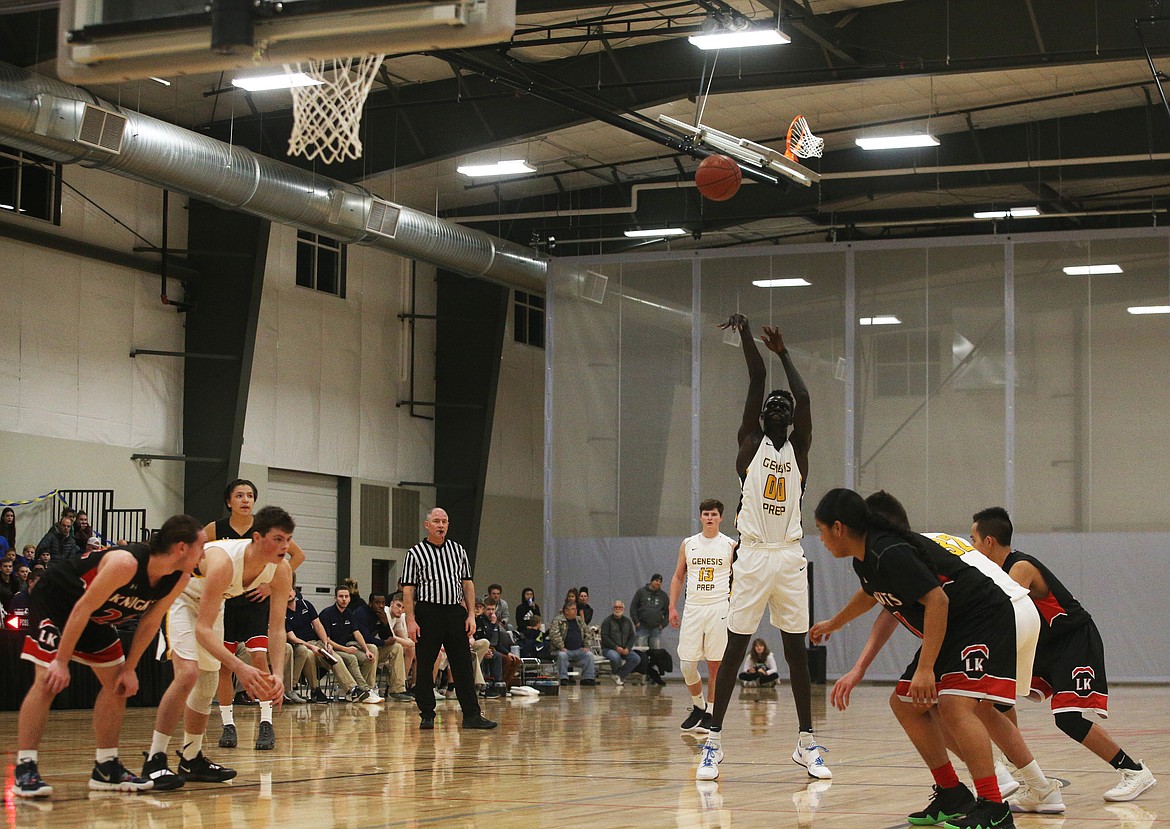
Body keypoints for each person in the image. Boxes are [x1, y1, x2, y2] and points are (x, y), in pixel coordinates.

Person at [811, 488, 1020, 829]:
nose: (820, 539)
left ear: (838, 528)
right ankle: (953, 793)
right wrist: (835, 623)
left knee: (954, 705)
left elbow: (938, 601)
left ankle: (994, 808)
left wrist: (926, 668)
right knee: (905, 703)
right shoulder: (865, 557)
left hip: (981, 616)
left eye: (820, 531)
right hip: (955, 623)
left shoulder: (889, 551)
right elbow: (871, 594)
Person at [697, 314, 828, 783]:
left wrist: (785, 355)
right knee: (734, 649)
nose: (775, 403)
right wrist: (751, 338)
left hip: (789, 556)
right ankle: (712, 743)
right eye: (769, 403)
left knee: (796, 652)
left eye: (782, 404)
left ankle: (806, 742)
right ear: (761, 416)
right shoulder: (749, 446)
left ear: (790, 418)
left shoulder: (800, 451)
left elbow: (806, 396)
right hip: (751, 554)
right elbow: (756, 379)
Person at [10, 515, 205, 798]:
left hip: (95, 618)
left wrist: (131, 668)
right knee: (48, 680)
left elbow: (150, 621)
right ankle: (25, 767)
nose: (205, 553)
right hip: (57, 602)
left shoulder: (180, 576)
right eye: (202, 546)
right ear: (182, 548)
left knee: (117, 684)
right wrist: (61, 661)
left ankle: (106, 766)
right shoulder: (126, 563)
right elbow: (81, 608)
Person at [971, 507, 1157, 804]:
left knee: (1067, 718)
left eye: (973, 539)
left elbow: (1002, 615)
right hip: (1048, 645)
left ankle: (1134, 772)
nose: (971, 546)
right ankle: (1011, 764)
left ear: (989, 541)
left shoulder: (1020, 567)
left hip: (1074, 641)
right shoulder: (1002, 570)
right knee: (999, 697)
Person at [139, 505, 295, 790]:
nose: (285, 546)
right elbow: (202, 629)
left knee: (208, 681)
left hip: (213, 603)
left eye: (288, 539)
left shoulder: (281, 569)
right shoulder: (224, 562)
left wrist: (279, 677)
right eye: (278, 539)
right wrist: (240, 668)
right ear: (257, 538)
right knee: (187, 674)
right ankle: (154, 758)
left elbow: (277, 628)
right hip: (180, 596)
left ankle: (191, 757)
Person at [205, 479, 306, 752]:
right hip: (224, 601)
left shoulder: (268, 531)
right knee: (224, 666)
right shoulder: (216, 529)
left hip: (253, 602)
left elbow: (297, 556)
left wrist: (269, 580)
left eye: (250, 495)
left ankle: (266, 720)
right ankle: (227, 723)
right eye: (239, 495)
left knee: (258, 657)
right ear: (229, 501)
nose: (245, 500)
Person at [401, 507, 496, 730]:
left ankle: (472, 715)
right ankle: (427, 713)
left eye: (444, 521)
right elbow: (408, 590)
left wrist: (471, 614)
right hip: (428, 612)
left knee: (463, 664)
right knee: (426, 664)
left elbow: (467, 584)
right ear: (427, 525)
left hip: (455, 612)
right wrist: (411, 620)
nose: (441, 525)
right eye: (436, 521)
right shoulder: (415, 553)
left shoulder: (458, 550)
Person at [670, 498, 734, 733]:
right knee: (687, 663)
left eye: (714, 514)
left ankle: (711, 712)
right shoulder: (688, 544)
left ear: (720, 518)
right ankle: (698, 705)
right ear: (700, 517)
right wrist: (672, 606)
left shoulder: (730, 545)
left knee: (715, 665)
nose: (710, 518)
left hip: (719, 607)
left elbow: (739, 580)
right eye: (706, 514)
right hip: (693, 608)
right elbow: (678, 577)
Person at [317, 585, 382, 703]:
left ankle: (362, 690)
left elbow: (357, 633)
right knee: (351, 658)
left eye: (346, 596)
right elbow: (326, 639)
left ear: (350, 598)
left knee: (368, 657)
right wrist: (345, 649)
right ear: (335, 598)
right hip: (330, 648)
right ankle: (362, 691)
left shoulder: (349, 613)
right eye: (341, 596)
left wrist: (366, 650)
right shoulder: (327, 614)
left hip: (344, 646)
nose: (344, 599)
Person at [354, 592, 412, 701]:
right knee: (373, 647)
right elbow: (365, 637)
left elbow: (389, 637)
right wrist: (384, 643)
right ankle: (370, 688)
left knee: (397, 647)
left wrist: (385, 623)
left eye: (382, 603)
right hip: (355, 645)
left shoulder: (381, 614)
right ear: (370, 604)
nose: (380, 606)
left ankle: (397, 690)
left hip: (371, 649)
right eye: (377, 603)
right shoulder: (361, 613)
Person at [284, 586, 333, 703]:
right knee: (306, 652)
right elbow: (292, 638)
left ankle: (353, 689)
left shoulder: (306, 605)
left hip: (315, 642)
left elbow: (318, 626)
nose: (288, 593)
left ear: (295, 592)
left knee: (337, 657)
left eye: (290, 590)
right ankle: (311, 689)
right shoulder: (282, 612)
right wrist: (311, 646)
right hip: (297, 644)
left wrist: (326, 642)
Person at [550, 600, 597, 686]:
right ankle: (563, 678)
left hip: (579, 650)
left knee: (589, 655)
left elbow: (587, 633)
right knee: (562, 655)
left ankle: (587, 678)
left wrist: (586, 646)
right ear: (566, 611)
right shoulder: (558, 620)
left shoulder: (579, 620)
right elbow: (554, 634)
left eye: (576, 609)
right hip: (564, 650)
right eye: (573, 609)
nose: (576, 611)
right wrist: (561, 646)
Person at [599, 600, 640, 685]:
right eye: (616, 607)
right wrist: (616, 647)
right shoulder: (607, 621)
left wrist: (628, 648)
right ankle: (618, 675)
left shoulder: (628, 621)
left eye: (619, 607)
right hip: (609, 649)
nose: (617, 609)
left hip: (624, 648)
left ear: (623, 609)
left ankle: (618, 675)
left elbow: (632, 636)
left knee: (636, 658)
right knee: (615, 657)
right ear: (612, 609)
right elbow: (604, 637)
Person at [631, 574, 668, 649]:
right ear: (651, 581)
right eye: (656, 580)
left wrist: (663, 624)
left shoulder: (663, 596)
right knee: (640, 651)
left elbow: (668, 611)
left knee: (655, 653)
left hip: (656, 629)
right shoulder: (641, 592)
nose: (658, 583)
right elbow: (633, 607)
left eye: (660, 582)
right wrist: (636, 622)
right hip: (642, 627)